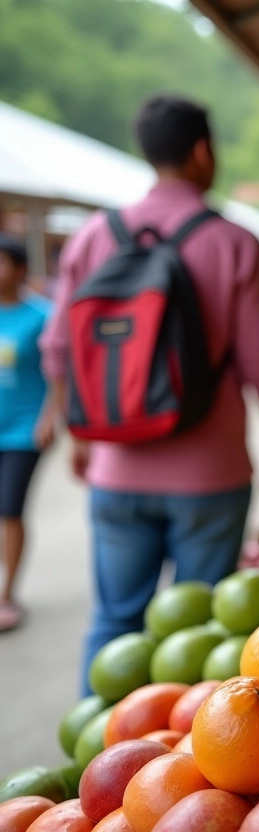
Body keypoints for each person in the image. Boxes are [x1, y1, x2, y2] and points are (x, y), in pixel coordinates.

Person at [39, 95, 259, 692]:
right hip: (211, 475)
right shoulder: (234, 242)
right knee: (200, 629)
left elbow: (57, 349)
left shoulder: (94, 235)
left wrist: (83, 435)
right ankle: (172, 769)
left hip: (116, 467)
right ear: (203, 152)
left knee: (114, 624)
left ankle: (90, 768)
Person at [0, 235, 55, 632]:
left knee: (10, 509)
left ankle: (7, 594)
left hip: (23, 432)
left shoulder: (42, 316)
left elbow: (60, 374)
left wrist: (50, 419)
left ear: (20, 269)